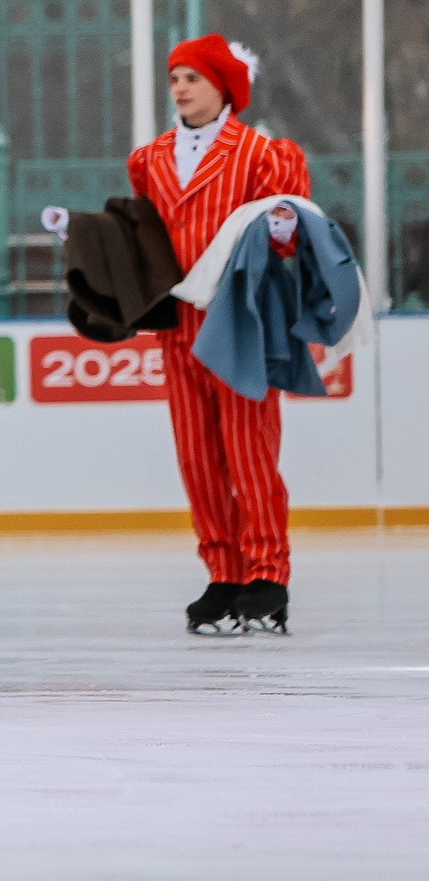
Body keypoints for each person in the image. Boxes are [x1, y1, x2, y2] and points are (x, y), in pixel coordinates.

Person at [128, 35, 309, 636]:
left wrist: (284, 231)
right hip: (177, 326)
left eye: (192, 78)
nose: (179, 87)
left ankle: (267, 573)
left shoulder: (262, 154)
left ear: (223, 87)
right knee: (198, 457)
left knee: (250, 452)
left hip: (242, 323)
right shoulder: (150, 159)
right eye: (174, 77)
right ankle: (223, 571)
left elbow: (289, 236)